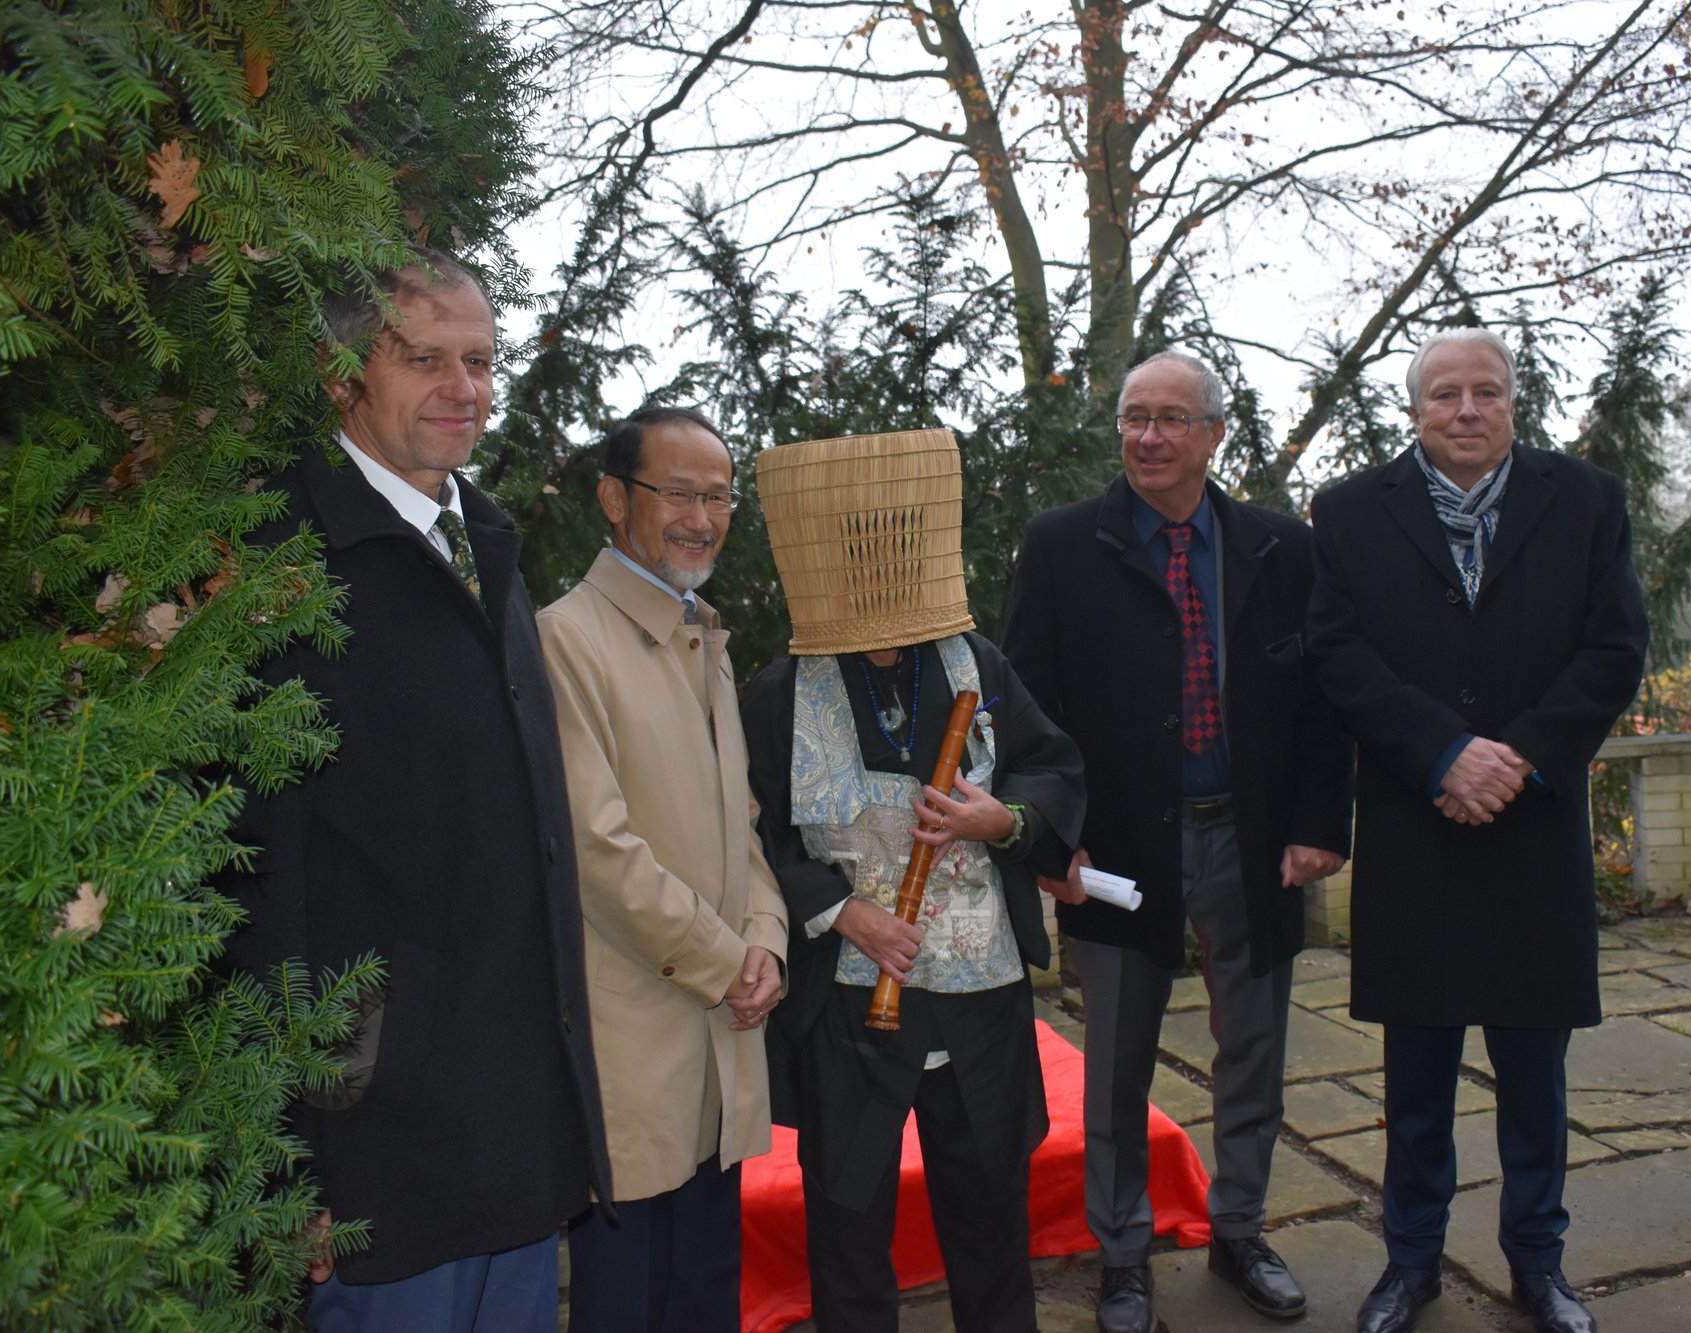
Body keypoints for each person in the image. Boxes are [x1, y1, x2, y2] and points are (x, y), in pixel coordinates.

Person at [222, 247, 611, 1331]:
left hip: (515, 1134)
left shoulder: (486, 541)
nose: (464, 388)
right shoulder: (283, 562)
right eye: (425, 358)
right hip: (378, 1157)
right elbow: (251, 876)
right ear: (343, 372)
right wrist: (284, 1159)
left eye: (479, 360)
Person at [1002, 351, 1355, 1333]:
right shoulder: (1063, 545)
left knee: (1254, 1053)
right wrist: (1051, 841)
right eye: (1133, 418)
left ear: (1213, 434)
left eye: (1170, 419)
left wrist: (1318, 826)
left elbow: (1324, 700)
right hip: (1118, 852)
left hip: (1252, 843)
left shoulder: (1282, 549)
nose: (1148, 437)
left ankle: (1238, 1231)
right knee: (1115, 1066)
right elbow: (1023, 709)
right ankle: (1122, 1256)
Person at [1305, 328, 1648, 1333]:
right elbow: (1336, 652)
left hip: (1530, 831)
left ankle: (1538, 1264)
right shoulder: (1348, 511)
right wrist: (1442, 752)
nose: (1466, 410)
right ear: (1414, 409)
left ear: (1512, 402)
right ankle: (1409, 1263)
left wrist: (1515, 758)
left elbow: (1614, 647)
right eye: (1445, 394)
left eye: (1485, 392)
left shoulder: (1586, 500)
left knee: (1535, 1078)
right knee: (1415, 1082)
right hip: (1415, 827)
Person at [739, 429, 1085, 1333]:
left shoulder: (978, 663)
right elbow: (751, 831)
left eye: (895, 547)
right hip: (851, 999)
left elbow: (1052, 767)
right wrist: (839, 909)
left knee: (989, 1210)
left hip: (978, 990)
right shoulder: (781, 692)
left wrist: (1000, 820)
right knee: (847, 1219)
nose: (878, 569)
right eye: (856, 552)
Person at [536, 406, 789, 1333]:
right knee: (628, 1302)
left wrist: (766, 939)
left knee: (705, 1294)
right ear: (614, 498)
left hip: (723, 1029)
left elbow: (741, 821)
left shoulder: (703, 635)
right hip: (636, 1039)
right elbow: (593, 848)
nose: (702, 518)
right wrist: (728, 960)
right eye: (678, 493)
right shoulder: (565, 638)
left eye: (719, 498)